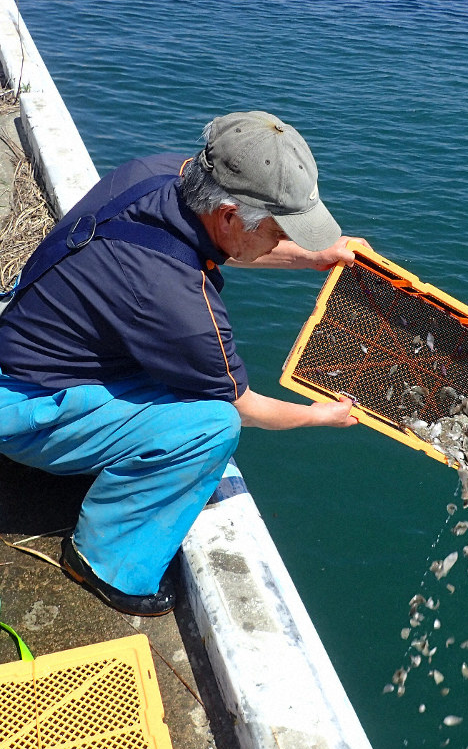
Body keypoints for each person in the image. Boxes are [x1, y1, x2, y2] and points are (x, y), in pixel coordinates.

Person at [0, 110, 365, 616]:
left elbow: (223, 242)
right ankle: (105, 563)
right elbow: (246, 407)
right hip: (25, 408)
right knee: (210, 426)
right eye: (281, 230)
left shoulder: (164, 175)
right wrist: (323, 415)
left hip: (24, 344)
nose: (288, 241)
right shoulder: (178, 302)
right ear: (231, 214)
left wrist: (317, 256)